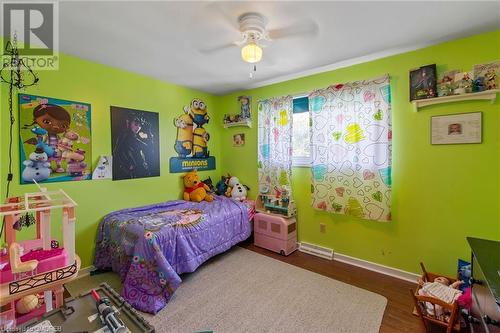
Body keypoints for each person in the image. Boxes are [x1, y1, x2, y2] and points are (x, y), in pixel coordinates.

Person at [113, 113, 154, 179]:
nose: (138, 127)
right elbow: (116, 152)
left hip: (134, 173)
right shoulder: (126, 136)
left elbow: (147, 148)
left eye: (140, 125)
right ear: (128, 122)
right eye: (136, 124)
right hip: (129, 173)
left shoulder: (131, 136)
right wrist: (128, 165)